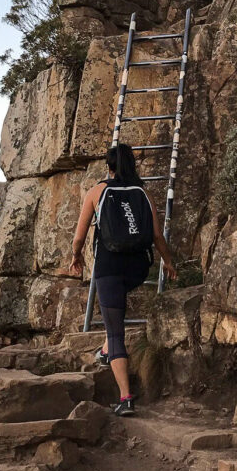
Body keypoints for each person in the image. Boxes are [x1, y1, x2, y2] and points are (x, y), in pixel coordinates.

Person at [70, 142, 177, 416]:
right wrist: (168, 261)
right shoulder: (144, 192)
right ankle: (107, 349)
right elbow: (156, 236)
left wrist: (76, 257)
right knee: (113, 318)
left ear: (109, 166)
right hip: (138, 269)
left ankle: (126, 398)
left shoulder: (97, 191)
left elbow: (80, 236)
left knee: (115, 330)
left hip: (109, 269)